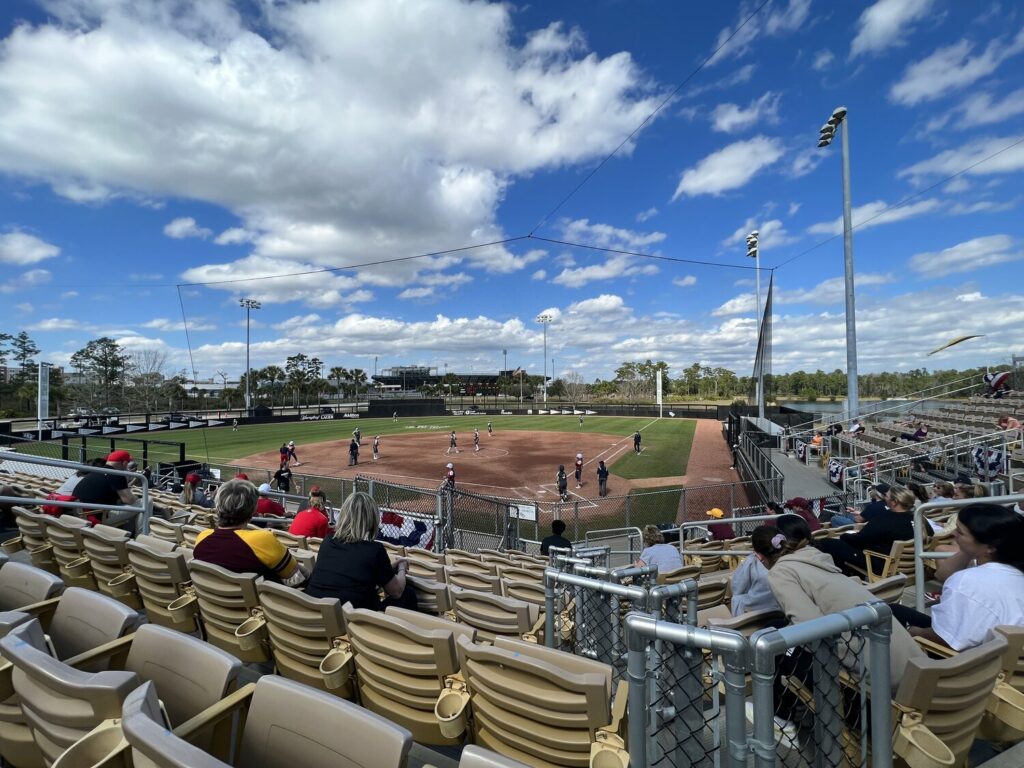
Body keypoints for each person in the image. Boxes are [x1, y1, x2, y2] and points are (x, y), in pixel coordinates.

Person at [761, 514, 925, 729]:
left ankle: (782, 718)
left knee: (775, 646)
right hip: (916, 683)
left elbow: (812, 630)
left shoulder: (781, 572)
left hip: (884, 701)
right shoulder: (821, 559)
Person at [892, 504, 1024, 650]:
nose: (953, 533)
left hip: (975, 663)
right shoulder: (1011, 569)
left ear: (991, 547)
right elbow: (943, 575)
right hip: (1007, 654)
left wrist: (916, 632)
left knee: (888, 618)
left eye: (960, 532)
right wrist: (969, 549)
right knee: (895, 610)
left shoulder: (968, 581)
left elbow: (946, 639)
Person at [305, 492, 416, 611]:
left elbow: (350, 569)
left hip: (316, 612)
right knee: (408, 593)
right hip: (352, 620)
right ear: (371, 519)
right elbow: (397, 591)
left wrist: (388, 568)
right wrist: (402, 567)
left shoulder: (327, 542)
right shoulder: (374, 550)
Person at [193, 479, 306, 585]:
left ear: (218, 506)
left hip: (211, 602)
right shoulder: (263, 539)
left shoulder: (202, 537)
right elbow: (296, 579)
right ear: (253, 510)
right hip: (261, 604)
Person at [817, 486, 919, 575]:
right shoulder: (916, 517)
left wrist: (844, 536)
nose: (885, 498)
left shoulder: (886, 519)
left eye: (887, 496)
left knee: (827, 543)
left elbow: (860, 540)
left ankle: (846, 577)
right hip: (904, 564)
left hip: (879, 562)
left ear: (894, 502)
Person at [72, 450, 144, 530]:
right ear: (124, 463)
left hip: (79, 515)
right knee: (146, 501)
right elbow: (129, 500)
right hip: (98, 517)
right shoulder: (116, 474)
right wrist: (137, 498)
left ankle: (130, 531)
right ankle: (142, 535)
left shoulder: (95, 472)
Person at [730, 526, 783, 617]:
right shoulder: (789, 561)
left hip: (755, 613)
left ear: (757, 552)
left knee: (737, 598)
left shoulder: (751, 560)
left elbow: (737, 587)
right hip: (780, 611)